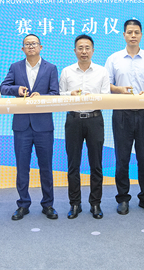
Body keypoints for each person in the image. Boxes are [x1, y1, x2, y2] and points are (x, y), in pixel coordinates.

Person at [0, 34, 59, 220]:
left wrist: (43, 97)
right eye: (27, 44)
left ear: (41, 47)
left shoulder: (51, 68)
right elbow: (3, 87)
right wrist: (16, 89)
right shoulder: (15, 67)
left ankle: (48, 204)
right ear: (22, 49)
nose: (31, 46)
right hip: (22, 126)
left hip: (44, 126)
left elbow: (55, 94)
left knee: (46, 167)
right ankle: (23, 204)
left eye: (34, 44)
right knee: (22, 167)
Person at [105, 19, 144, 215]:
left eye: (136, 32)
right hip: (121, 113)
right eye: (129, 32)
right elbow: (106, 85)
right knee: (122, 158)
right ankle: (122, 198)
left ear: (141, 35)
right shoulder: (114, 59)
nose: (133, 35)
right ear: (124, 35)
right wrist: (119, 89)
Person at [59, 35, 110, 219]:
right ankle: (75, 204)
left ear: (93, 50)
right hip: (73, 120)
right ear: (74, 51)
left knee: (96, 164)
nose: (84, 51)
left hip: (94, 119)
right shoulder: (66, 71)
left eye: (87, 48)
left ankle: (95, 203)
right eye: (80, 48)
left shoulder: (102, 71)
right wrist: (70, 95)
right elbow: (60, 96)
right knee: (73, 165)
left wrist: (93, 98)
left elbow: (106, 97)